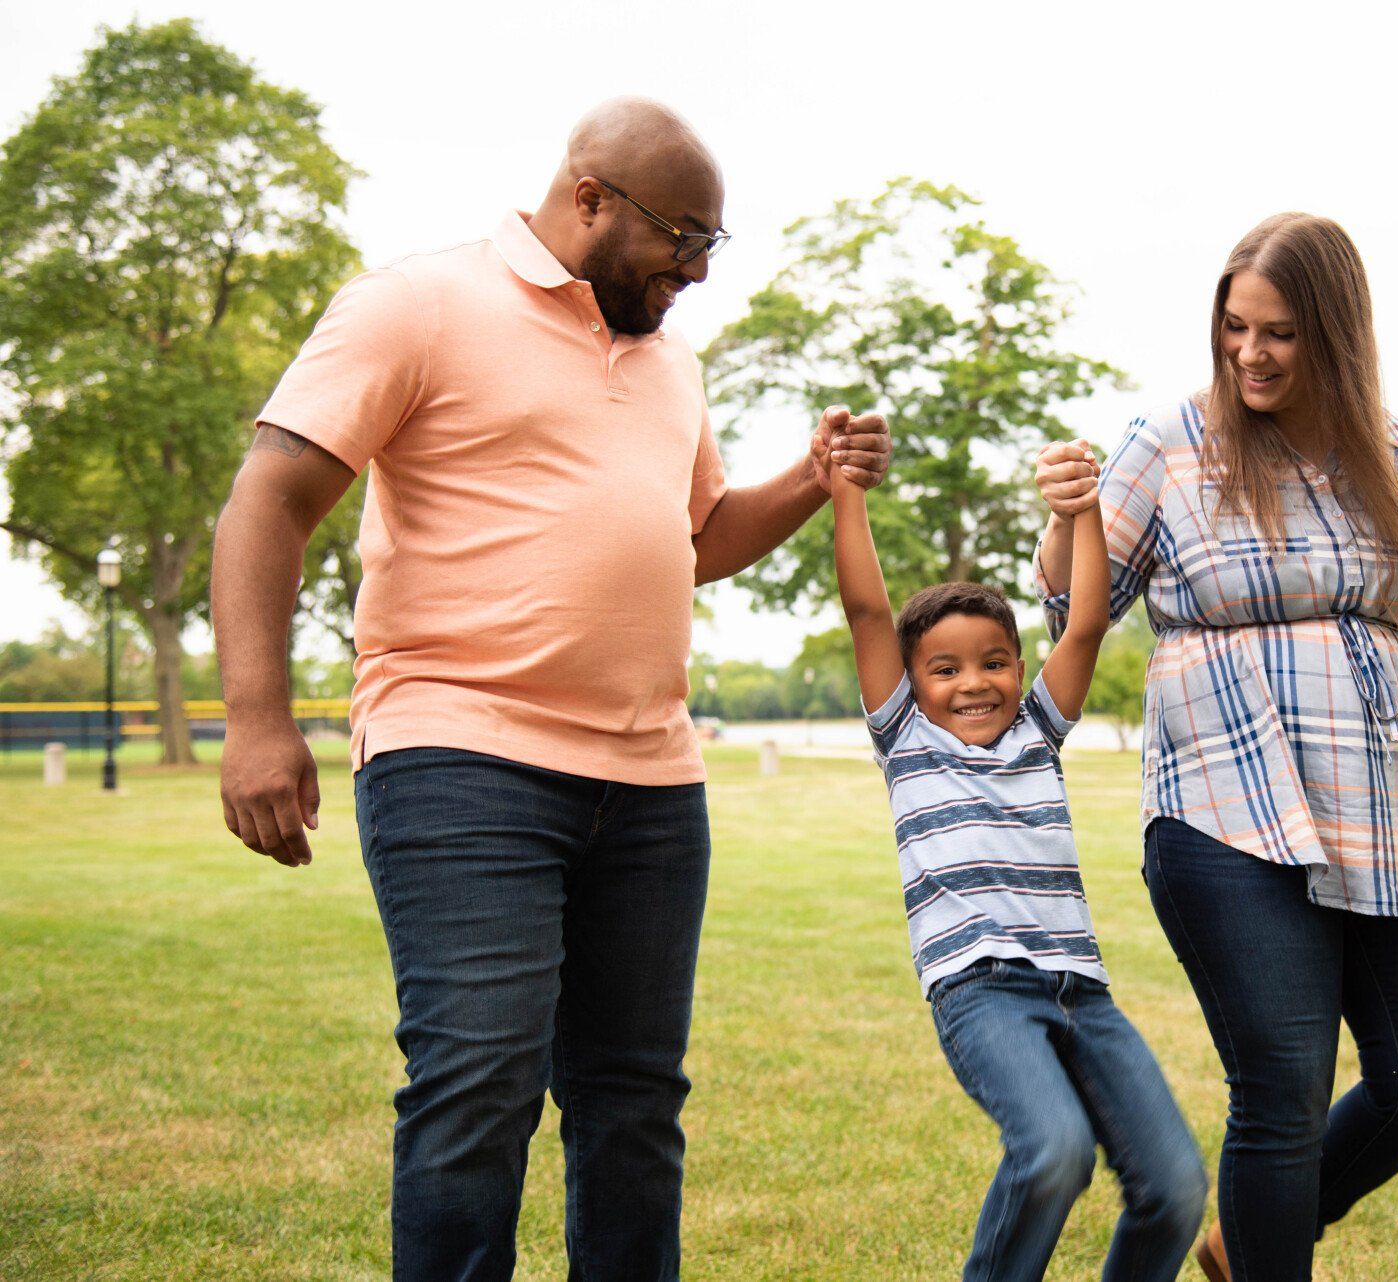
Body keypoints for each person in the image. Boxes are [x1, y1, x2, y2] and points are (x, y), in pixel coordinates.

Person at [209, 97, 891, 1280]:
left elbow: (700, 533)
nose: (696, 272)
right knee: (479, 1079)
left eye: (709, 247)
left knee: (633, 1102)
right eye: (684, 240)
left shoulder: (669, 358)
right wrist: (257, 719)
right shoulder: (416, 304)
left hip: (651, 778)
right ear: (589, 199)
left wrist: (812, 477)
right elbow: (269, 495)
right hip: (462, 755)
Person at [1032, 212, 1398, 1281]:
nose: (1250, 352)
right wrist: (1066, 519)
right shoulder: (1172, 444)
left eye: (1280, 332)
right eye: (1235, 327)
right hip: (1223, 802)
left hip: (1391, 804)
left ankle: (1251, 1243)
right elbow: (1076, 603)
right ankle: (1271, 1246)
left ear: (1336, 333)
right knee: (1281, 1090)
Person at [831, 445, 1208, 1281]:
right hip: (981, 991)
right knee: (1053, 1152)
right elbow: (866, 610)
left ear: (1017, 666)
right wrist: (847, 494)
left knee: (1177, 1187)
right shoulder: (908, 741)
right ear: (912, 683)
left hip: (1083, 992)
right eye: (946, 668)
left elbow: (1084, 621)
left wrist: (1080, 511)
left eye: (995, 662)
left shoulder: (1038, 735)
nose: (976, 683)